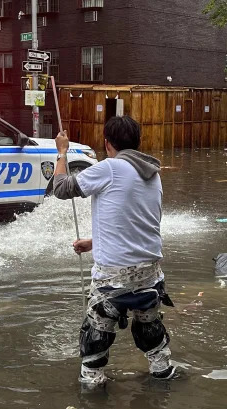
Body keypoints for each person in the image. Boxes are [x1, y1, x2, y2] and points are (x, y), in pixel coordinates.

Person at [53, 115, 175, 385]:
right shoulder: (152, 174)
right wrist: (95, 242)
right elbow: (138, 223)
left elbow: (60, 189)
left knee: (95, 337)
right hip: (150, 275)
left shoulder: (110, 167)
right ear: (137, 142)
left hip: (112, 279)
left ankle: (93, 394)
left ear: (107, 144)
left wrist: (61, 152)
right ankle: (163, 376)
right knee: (151, 333)